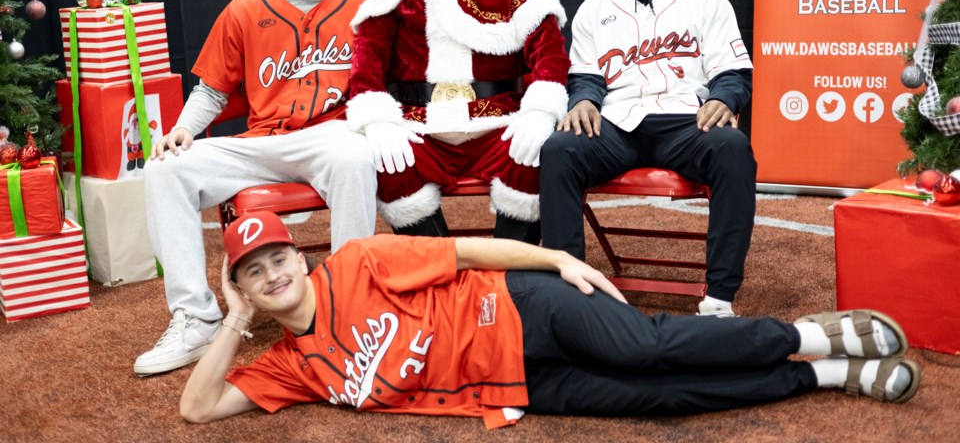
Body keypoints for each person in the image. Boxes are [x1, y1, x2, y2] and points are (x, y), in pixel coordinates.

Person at [178, 210, 920, 428]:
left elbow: (467, 246)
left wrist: (558, 262)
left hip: (520, 309)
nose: (272, 276)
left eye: (276, 258)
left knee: (645, 350)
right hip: (510, 388)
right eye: (253, 274)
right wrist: (232, 322)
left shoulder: (357, 263)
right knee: (653, 402)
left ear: (296, 257)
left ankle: (811, 334)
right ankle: (820, 377)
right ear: (243, 288)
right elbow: (198, 407)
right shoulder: (287, 366)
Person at [134, 0, 377, 377]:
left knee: (354, 155)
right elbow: (213, 91)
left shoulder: (365, 6)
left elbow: (383, 83)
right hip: (261, 143)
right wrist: (182, 129)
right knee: (165, 168)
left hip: (330, 139)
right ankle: (196, 318)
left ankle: (345, 304)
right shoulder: (245, 9)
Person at [539, 0, 757, 318]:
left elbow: (733, 72)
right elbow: (585, 76)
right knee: (560, 148)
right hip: (617, 128)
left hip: (684, 124)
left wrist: (723, 98)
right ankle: (570, 296)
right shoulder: (596, 6)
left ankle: (718, 298)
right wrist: (582, 101)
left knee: (732, 147)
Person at [345, 0, 569, 242]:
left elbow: (549, 49)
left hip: (499, 120)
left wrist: (542, 110)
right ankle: (439, 274)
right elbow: (366, 61)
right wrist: (377, 121)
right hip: (419, 126)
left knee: (536, 157)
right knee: (387, 165)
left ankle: (513, 276)